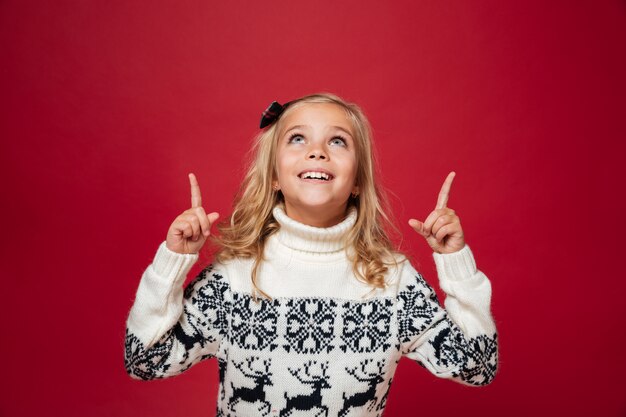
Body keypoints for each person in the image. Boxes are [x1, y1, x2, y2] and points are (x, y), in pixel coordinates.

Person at [124, 93, 498, 417]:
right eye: (298, 138)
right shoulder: (234, 277)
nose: (317, 151)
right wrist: (173, 263)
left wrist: (455, 262)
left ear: (357, 183)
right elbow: (144, 360)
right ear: (273, 175)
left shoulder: (392, 281)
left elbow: (477, 365)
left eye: (337, 141)